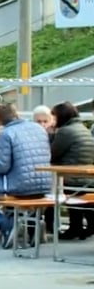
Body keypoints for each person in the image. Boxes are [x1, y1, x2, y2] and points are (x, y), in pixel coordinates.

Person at [0, 102, 53, 248]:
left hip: (19, 185)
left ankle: (4, 225)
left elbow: (2, 166)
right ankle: (34, 224)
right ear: (16, 114)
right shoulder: (39, 129)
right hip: (44, 184)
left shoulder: (4, 134)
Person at [49, 101, 94, 240]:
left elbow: (52, 153)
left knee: (70, 194)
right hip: (87, 177)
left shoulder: (65, 132)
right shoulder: (82, 128)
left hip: (73, 176)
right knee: (82, 199)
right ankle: (81, 227)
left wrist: (50, 135)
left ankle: (75, 227)